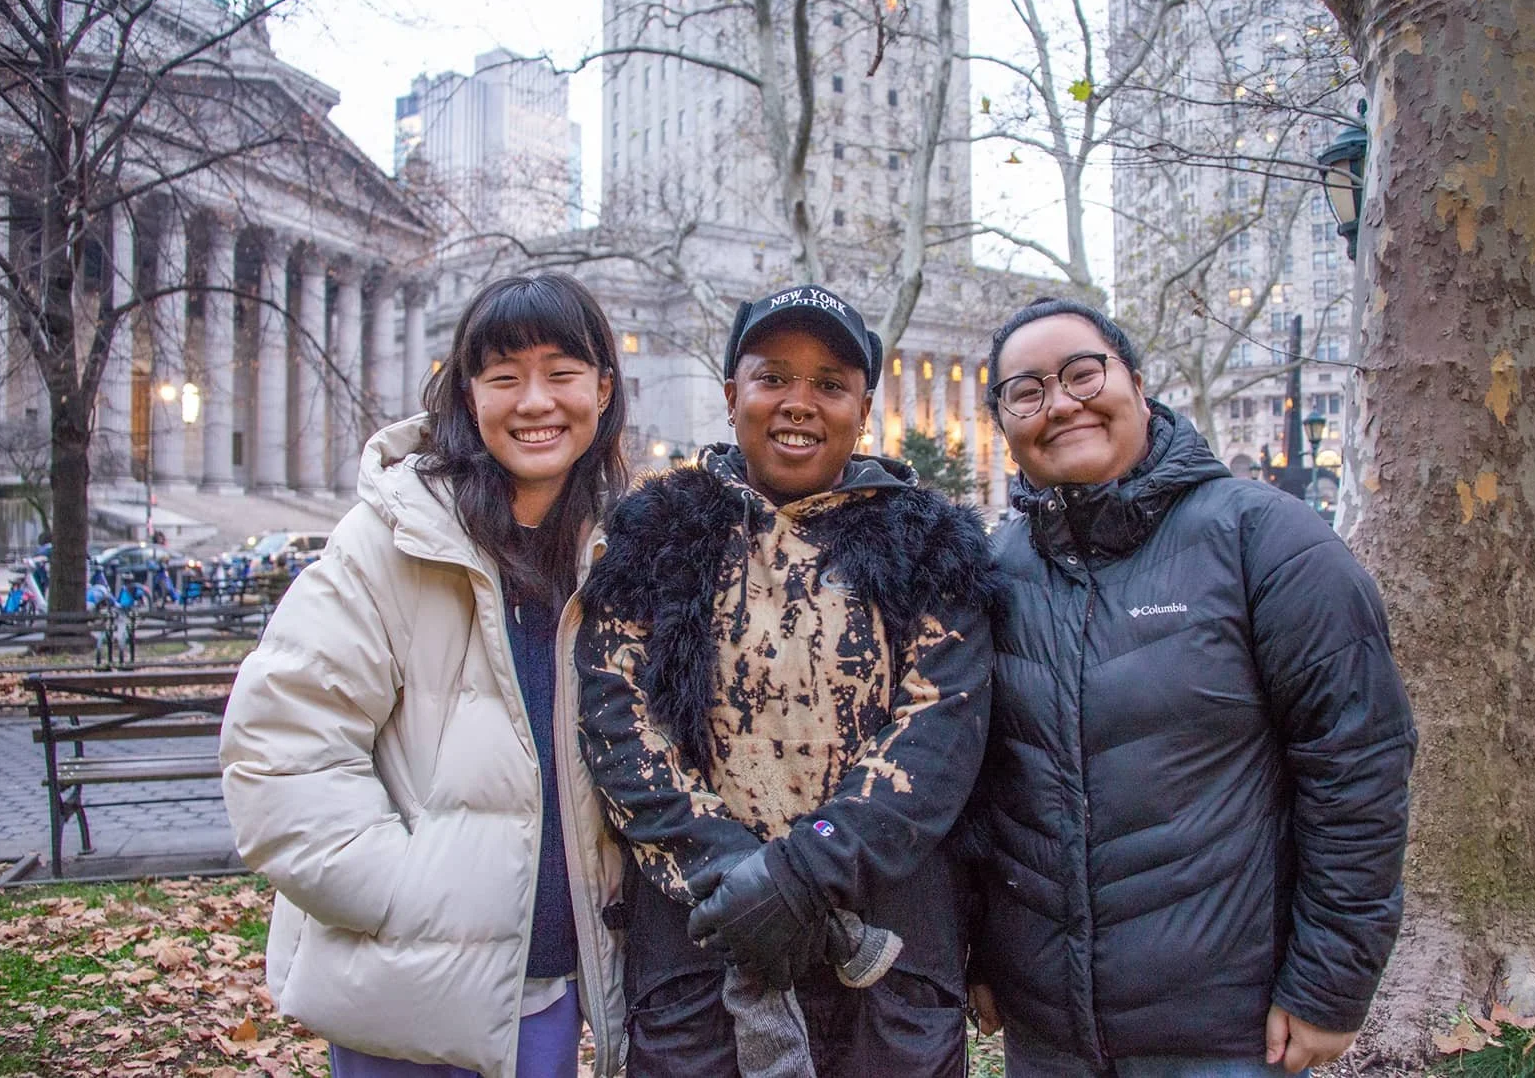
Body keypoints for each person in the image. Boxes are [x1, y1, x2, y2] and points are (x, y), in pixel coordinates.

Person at [962, 298, 1416, 1077]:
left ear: (1136, 383)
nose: (1061, 402)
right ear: (1005, 424)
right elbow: (977, 790)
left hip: (1223, 1028)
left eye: (1082, 373)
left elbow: (1358, 770)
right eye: (1026, 391)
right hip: (1047, 1029)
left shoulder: (1267, 541)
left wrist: (1330, 983)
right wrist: (979, 951)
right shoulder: (994, 571)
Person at [575, 284, 995, 1077]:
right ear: (733, 395)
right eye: (774, 378)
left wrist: (803, 875)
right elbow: (616, 719)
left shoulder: (934, 547)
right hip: (701, 950)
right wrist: (735, 878)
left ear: (863, 408)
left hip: (882, 955)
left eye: (830, 384)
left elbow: (939, 734)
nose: (800, 402)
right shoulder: (653, 532)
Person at [219, 274, 630, 1078]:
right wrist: (405, 903)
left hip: (546, 990)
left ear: (603, 389)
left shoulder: (618, 553)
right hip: (404, 997)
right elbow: (277, 751)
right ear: (468, 395)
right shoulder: (389, 539)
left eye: (562, 373)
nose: (535, 401)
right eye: (505, 376)